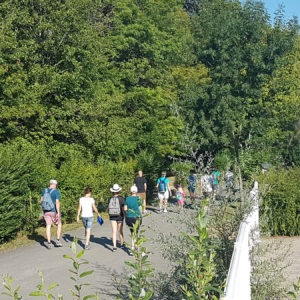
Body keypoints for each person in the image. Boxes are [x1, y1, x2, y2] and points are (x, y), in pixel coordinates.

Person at [41, 179, 62, 249]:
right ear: (54, 184)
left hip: (46, 211)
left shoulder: (44, 191)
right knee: (59, 224)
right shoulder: (56, 191)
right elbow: (57, 202)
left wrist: (43, 211)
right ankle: (58, 241)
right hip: (53, 211)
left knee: (48, 226)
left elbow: (41, 201)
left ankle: (49, 243)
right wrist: (58, 212)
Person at [124, 185, 142, 252]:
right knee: (136, 232)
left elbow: (125, 209)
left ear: (130, 191)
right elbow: (141, 208)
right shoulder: (139, 198)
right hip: (137, 217)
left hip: (129, 217)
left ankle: (132, 247)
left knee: (132, 232)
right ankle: (136, 246)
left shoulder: (127, 199)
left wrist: (126, 216)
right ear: (136, 191)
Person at [108, 184, 125, 252]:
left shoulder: (110, 199)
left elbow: (108, 208)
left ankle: (114, 246)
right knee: (120, 230)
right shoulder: (121, 198)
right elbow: (123, 208)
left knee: (114, 231)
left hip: (112, 216)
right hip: (120, 216)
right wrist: (124, 215)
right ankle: (122, 243)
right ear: (119, 191)